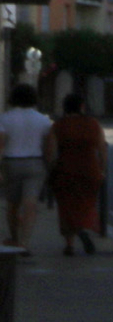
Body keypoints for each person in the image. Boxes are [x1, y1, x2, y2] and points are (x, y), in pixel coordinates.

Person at [43, 94, 104, 255]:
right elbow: (102, 149)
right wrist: (102, 169)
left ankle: (69, 244)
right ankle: (83, 228)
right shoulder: (93, 124)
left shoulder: (58, 126)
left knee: (66, 207)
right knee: (87, 204)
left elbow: (51, 153)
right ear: (82, 107)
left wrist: (50, 171)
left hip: (65, 170)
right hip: (90, 169)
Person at [0, 83, 47, 248]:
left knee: (12, 204)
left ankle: (14, 237)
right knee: (30, 204)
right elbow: (48, 145)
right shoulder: (43, 120)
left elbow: (1, 145)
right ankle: (24, 242)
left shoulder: (4, 118)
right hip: (35, 163)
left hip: (11, 163)